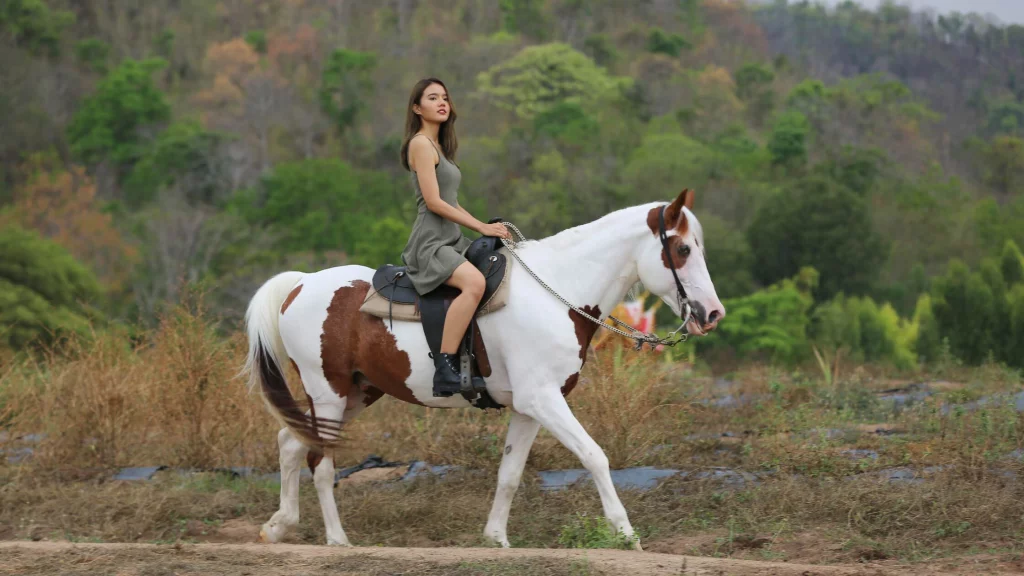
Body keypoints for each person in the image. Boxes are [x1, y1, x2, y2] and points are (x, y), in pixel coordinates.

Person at [399, 78, 511, 398]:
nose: (442, 103)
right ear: (417, 108)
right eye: (433, 98)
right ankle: (445, 367)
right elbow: (434, 203)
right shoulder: (420, 144)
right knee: (474, 284)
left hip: (452, 238)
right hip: (431, 243)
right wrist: (480, 227)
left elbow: (451, 201)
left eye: (445, 97)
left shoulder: (440, 149)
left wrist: (487, 228)